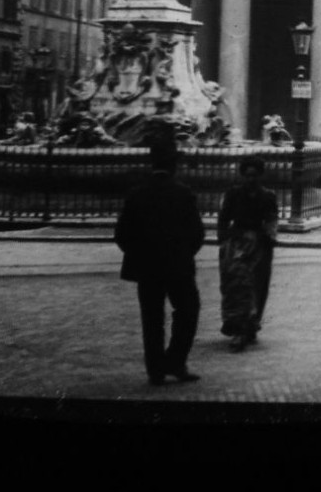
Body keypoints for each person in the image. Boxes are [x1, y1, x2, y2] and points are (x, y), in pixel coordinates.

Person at [114, 122, 206, 385]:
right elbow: (197, 233)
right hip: (178, 266)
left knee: (152, 319)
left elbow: (121, 234)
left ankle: (155, 370)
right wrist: (184, 254)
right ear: (174, 164)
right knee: (188, 310)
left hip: (146, 268)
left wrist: (139, 255)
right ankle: (175, 361)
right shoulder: (183, 193)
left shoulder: (136, 194)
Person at [217, 155, 280, 351]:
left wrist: (269, 238)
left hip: (259, 245)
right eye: (247, 175)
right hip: (236, 245)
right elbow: (223, 218)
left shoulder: (268, 196)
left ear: (260, 176)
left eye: (254, 175)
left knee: (257, 287)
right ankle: (238, 326)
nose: (250, 179)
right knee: (237, 285)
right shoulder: (233, 194)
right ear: (242, 175)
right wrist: (224, 240)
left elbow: (271, 220)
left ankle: (250, 324)